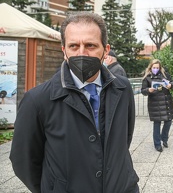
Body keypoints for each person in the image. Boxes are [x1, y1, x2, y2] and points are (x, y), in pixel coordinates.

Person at [10, 12, 139, 193]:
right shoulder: (37, 100)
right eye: (73, 46)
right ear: (64, 51)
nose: (81, 53)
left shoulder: (123, 87)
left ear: (106, 49)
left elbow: (123, 140)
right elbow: (23, 160)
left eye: (90, 45)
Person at [141, 59, 173, 152]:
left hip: (166, 102)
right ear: (151, 67)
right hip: (155, 104)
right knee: (157, 123)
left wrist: (170, 85)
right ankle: (157, 144)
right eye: (154, 67)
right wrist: (149, 90)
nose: (155, 69)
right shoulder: (147, 77)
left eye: (157, 67)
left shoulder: (165, 75)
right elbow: (143, 90)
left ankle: (164, 139)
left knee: (168, 121)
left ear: (160, 68)